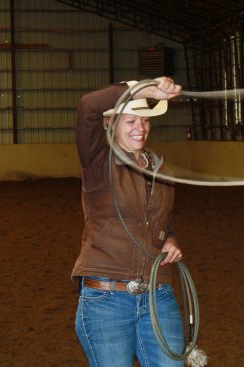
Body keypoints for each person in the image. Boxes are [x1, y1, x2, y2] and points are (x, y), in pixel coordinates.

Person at [72, 77, 184, 367]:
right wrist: (143, 89)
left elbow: (163, 223)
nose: (141, 128)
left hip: (158, 294)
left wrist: (168, 239)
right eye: (130, 121)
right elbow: (88, 107)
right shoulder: (98, 163)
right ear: (110, 124)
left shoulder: (163, 170)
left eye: (145, 120)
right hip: (107, 298)